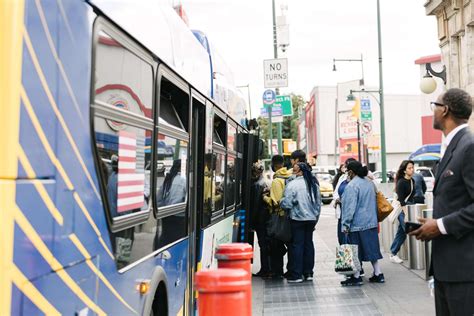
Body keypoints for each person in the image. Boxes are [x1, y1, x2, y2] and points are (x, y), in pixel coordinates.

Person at [410, 88, 474, 315]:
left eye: (434, 106)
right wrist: (433, 222)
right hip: (447, 269)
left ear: (445, 110)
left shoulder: (468, 146)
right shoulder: (452, 146)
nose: (433, 111)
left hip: (465, 273)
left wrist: (440, 226)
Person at [341, 161, 384, 286]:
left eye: (347, 171)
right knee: (372, 249)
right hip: (371, 221)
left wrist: (345, 224)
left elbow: (349, 208)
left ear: (351, 172)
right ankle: (378, 273)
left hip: (357, 224)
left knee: (355, 250)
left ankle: (356, 276)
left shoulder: (352, 186)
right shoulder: (369, 183)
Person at [281, 162, 321, 283]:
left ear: (300, 172)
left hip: (297, 219)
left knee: (297, 245)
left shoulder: (292, 185)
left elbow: (287, 204)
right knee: (308, 244)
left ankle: (297, 274)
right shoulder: (314, 185)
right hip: (311, 219)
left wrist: (280, 202)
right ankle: (308, 272)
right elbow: (318, 205)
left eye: (294, 171)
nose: (293, 173)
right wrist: (315, 220)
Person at [263, 154, 292, 279]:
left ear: (274, 165)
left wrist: (264, 197)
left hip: (278, 217)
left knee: (276, 245)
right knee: (290, 244)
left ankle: (277, 271)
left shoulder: (276, 180)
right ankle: (290, 270)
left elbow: (275, 202)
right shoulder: (289, 177)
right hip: (289, 216)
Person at [389, 160, 415, 264]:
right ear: (404, 170)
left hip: (408, 208)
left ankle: (393, 253)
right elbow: (401, 200)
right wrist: (406, 213)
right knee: (408, 229)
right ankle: (415, 255)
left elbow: (411, 197)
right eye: (409, 168)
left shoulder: (412, 181)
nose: (412, 169)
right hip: (401, 209)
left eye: (412, 167)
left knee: (402, 232)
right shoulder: (401, 182)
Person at [249, 162, 272, 278]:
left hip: (260, 220)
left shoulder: (258, 185)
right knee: (266, 244)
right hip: (267, 218)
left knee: (263, 244)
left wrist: (252, 221)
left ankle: (266, 269)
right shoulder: (267, 182)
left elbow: (256, 206)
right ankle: (268, 268)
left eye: (253, 172)